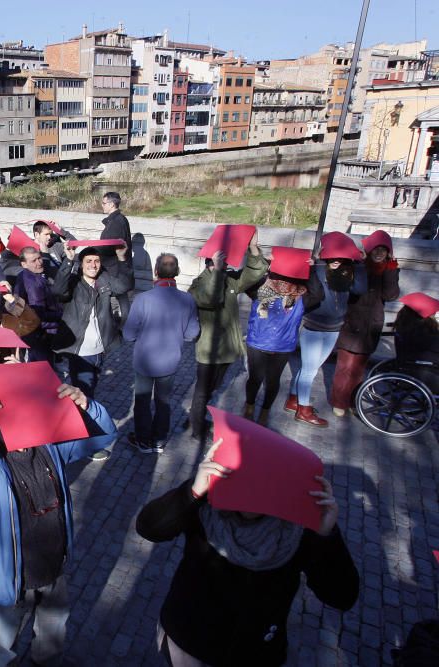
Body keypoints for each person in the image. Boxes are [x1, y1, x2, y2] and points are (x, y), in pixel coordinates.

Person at [0, 383, 118, 666]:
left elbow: (102, 438)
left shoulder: (49, 446)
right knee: (4, 640)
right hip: (9, 576)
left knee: (52, 632)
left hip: (54, 564)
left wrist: (88, 409)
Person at [136, 442, 359, 666]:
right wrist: (191, 493)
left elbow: (341, 595)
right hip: (188, 642)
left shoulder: (297, 530)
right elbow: (149, 528)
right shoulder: (207, 502)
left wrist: (327, 536)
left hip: (254, 652)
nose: (252, 493)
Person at [187, 236, 269, 440]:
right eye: (221, 262)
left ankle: (196, 416)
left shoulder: (229, 279)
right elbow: (211, 299)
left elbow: (254, 273)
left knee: (212, 388)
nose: (226, 265)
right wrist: (216, 271)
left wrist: (253, 248)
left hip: (228, 349)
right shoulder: (197, 285)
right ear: (209, 262)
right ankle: (197, 429)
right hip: (208, 350)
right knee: (202, 391)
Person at [285, 235, 367, 427]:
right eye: (333, 256)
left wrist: (361, 264)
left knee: (309, 368)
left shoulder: (348, 272)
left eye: (341, 256)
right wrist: (313, 265)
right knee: (310, 370)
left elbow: (360, 289)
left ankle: (294, 399)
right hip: (313, 327)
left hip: (334, 329)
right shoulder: (319, 269)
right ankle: (303, 410)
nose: (337, 260)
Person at [123, 254, 200, 453]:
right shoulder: (187, 300)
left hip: (144, 362)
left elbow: (129, 334)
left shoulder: (142, 299)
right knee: (163, 402)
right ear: (177, 272)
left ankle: (143, 439)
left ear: (155, 272)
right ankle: (159, 439)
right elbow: (192, 334)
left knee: (142, 402)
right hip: (169, 362)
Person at [243, 253, 324, 426]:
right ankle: (249, 406)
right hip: (258, 342)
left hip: (282, 346)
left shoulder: (301, 296)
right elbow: (247, 280)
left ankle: (265, 410)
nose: (284, 281)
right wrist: (263, 261)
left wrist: (310, 269)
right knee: (255, 379)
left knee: (272, 381)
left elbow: (318, 295)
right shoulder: (261, 289)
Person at [51, 244, 134, 405]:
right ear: (81, 265)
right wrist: (68, 260)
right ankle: (85, 425)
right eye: (88, 261)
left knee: (89, 387)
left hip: (100, 350)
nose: (93, 265)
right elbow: (58, 291)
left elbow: (124, 286)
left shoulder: (104, 280)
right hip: (81, 352)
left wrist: (122, 259)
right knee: (84, 394)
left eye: (96, 261)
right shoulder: (74, 283)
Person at [330, 230, 400, 417]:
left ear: (389, 253)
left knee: (358, 370)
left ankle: (353, 401)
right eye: (376, 249)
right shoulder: (357, 266)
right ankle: (339, 402)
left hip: (371, 326)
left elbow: (390, 295)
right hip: (352, 323)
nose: (379, 253)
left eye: (383, 250)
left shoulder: (389, 271)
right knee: (344, 367)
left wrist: (391, 269)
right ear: (369, 250)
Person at [13, 246, 62, 362]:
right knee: (45, 370)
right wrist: (61, 315)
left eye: (39, 258)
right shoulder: (34, 283)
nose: (39, 263)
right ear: (24, 264)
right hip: (41, 334)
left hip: (31, 333)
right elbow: (39, 314)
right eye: (33, 261)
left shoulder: (23, 275)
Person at [98, 191, 134, 323]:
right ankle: (126, 324)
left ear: (112, 204)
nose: (102, 205)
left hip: (114, 267)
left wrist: (94, 248)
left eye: (104, 203)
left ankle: (116, 325)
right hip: (119, 265)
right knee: (122, 297)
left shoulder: (116, 222)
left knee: (112, 296)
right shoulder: (120, 219)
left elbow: (107, 247)